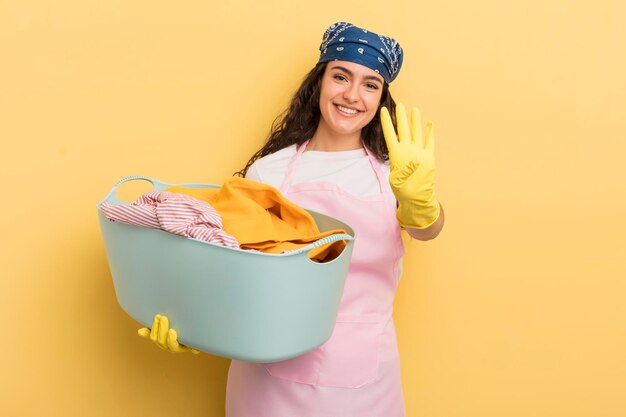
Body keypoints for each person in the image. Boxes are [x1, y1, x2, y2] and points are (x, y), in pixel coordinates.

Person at [139, 21, 444, 416]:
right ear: (319, 81)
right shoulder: (269, 172)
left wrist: (420, 205)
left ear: (381, 98)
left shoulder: (397, 173)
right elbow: (235, 271)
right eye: (341, 76)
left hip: (364, 380)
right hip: (267, 382)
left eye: (370, 84)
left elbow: (427, 231)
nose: (352, 95)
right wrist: (195, 325)